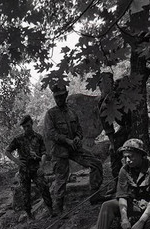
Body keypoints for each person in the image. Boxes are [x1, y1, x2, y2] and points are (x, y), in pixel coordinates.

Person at [44, 82, 105, 214]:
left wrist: (78, 137)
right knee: (61, 179)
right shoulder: (51, 114)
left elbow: (79, 129)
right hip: (60, 152)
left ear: (66, 95)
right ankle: (58, 209)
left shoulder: (72, 112)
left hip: (74, 148)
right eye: (56, 97)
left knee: (96, 163)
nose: (59, 99)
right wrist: (67, 140)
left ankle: (94, 194)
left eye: (61, 96)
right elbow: (50, 133)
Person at [5, 114, 55, 219]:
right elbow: (7, 151)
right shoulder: (18, 139)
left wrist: (42, 166)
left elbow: (44, 153)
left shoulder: (38, 137)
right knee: (25, 193)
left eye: (28, 126)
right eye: (24, 127)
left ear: (32, 123)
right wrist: (16, 161)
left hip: (36, 168)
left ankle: (51, 211)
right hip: (24, 170)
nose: (26, 128)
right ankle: (29, 216)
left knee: (43, 187)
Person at [98, 72, 132, 194]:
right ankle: (118, 182)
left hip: (136, 122)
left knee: (134, 149)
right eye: (102, 84)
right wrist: (112, 143)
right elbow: (107, 125)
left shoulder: (121, 88)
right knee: (114, 151)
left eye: (108, 83)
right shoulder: (103, 102)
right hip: (125, 126)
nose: (105, 87)